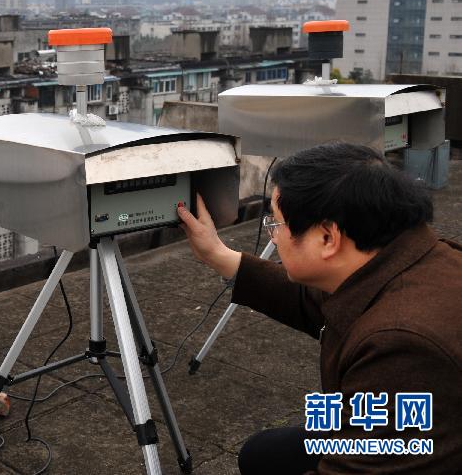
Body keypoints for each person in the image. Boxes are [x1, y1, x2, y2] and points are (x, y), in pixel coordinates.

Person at [176, 142, 462, 474]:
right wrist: (217, 254)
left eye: (278, 224)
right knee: (265, 453)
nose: (273, 237)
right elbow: (320, 302)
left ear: (328, 238)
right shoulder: (409, 257)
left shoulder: (402, 346)